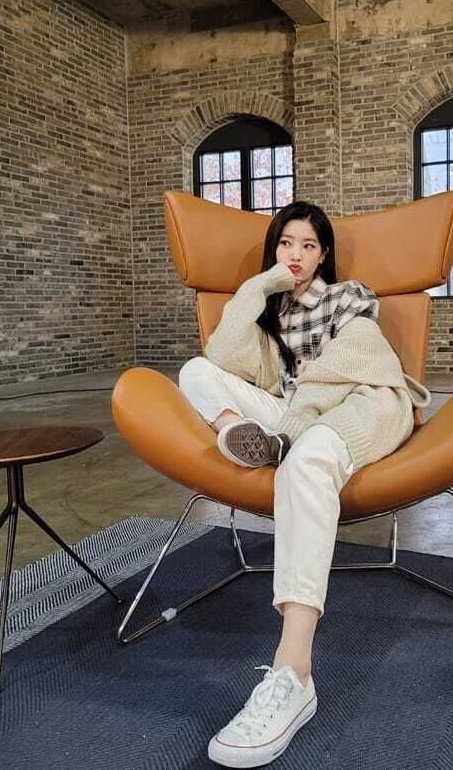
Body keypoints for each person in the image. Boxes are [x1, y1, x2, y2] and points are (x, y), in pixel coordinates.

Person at [177, 200, 431, 768]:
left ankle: (293, 671)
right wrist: (262, 284)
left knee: (306, 459)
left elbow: (352, 364)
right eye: (285, 244)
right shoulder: (271, 311)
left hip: (358, 402)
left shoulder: (347, 298)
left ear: (323, 255)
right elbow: (221, 355)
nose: (296, 255)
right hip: (290, 411)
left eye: (308, 246)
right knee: (193, 370)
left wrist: (293, 429)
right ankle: (236, 432)